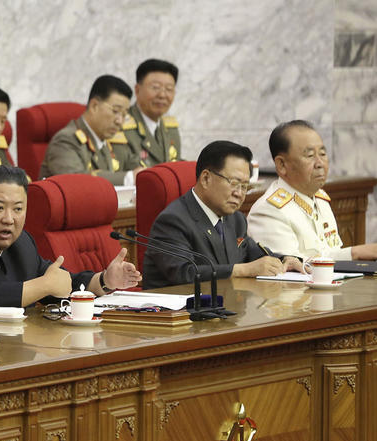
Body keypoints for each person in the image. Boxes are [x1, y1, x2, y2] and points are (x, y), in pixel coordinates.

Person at [0, 165, 141, 324]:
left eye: (18, 209)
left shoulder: (21, 242)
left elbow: (57, 283)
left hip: (2, 351)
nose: (9, 218)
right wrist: (44, 285)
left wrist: (104, 280)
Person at [143, 140, 302, 289]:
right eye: (233, 183)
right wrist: (244, 270)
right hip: (179, 314)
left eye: (245, 186)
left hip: (223, 307)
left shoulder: (235, 219)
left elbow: (254, 253)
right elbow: (185, 274)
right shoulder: (173, 221)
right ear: (206, 178)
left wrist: (284, 260)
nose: (239, 194)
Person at [248, 120, 377, 261]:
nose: (320, 163)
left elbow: (329, 254)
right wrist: (353, 254)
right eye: (310, 156)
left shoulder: (319, 199)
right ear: (282, 165)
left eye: (322, 154)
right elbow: (291, 270)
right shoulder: (269, 211)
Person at [39, 75, 142, 185]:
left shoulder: (111, 140)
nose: (119, 121)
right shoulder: (65, 141)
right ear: (94, 106)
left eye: (124, 114)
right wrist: (128, 178)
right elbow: (75, 182)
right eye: (116, 111)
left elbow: (135, 167)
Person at [123, 59, 182, 167]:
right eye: (155, 87)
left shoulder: (170, 128)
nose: (162, 95)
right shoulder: (120, 125)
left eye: (169, 89)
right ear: (137, 90)